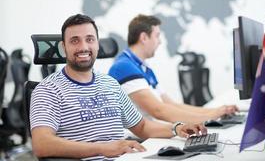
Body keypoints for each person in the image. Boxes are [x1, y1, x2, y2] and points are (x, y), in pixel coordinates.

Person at [30, 14, 207, 161]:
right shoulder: (48, 89)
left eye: (89, 39)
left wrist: (177, 128)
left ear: (97, 44)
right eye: (74, 41)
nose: (83, 47)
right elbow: (42, 144)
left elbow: (142, 126)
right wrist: (102, 148)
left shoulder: (110, 84)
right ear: (63, 47)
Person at [109, 14, 239, 124]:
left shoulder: (144, 67)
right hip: (138, 141)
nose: (159, 41)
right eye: (157, 36)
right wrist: (209, 117)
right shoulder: (123, 67)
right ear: (143, 38)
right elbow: (158, 111)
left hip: (150, 135)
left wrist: (215, 111)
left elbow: (170, 104)